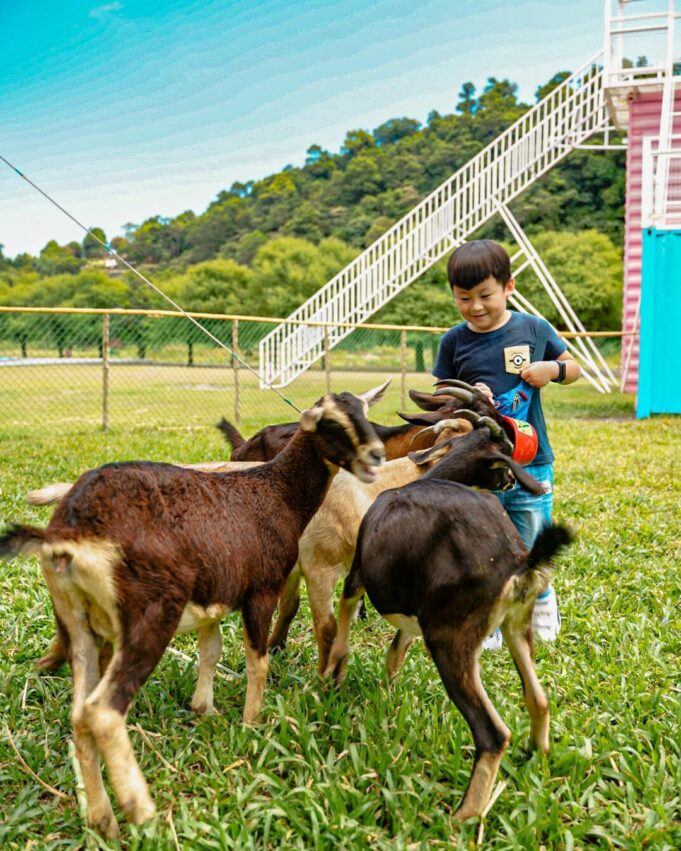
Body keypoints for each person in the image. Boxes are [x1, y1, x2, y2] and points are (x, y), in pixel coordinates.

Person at [433, 240, 580, 648]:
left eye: (485, 295)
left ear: (509, 286)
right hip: (477, 464)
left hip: (530, 459)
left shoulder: (533, 329)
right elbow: (442, 394)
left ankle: (543, 600)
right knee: (484, 541)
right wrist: (464, 392)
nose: (476, 307)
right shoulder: (454, 341)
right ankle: (492, 617)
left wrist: (552, 369)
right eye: (464, 298)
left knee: (530, 536)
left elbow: (575, 369)